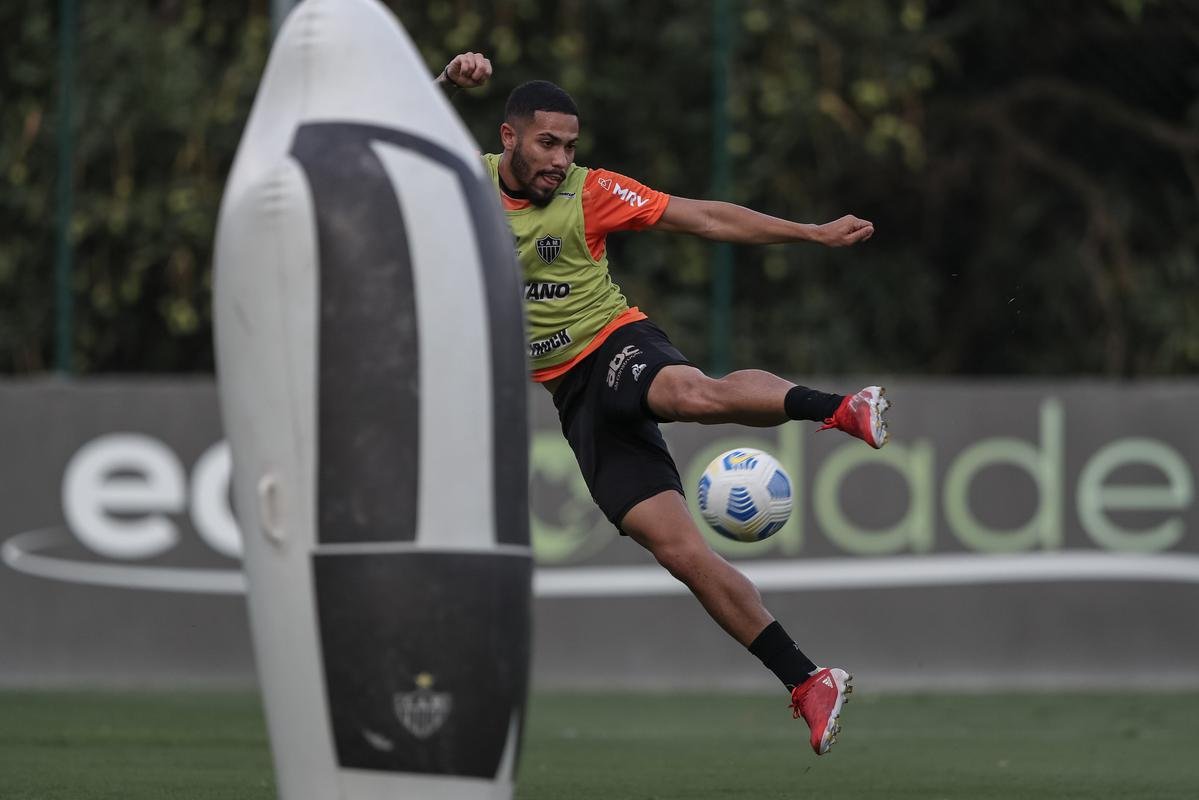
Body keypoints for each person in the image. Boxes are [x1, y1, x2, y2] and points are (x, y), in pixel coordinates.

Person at [437, 52, 888, 756]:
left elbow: (703, 218)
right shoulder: (464, 183)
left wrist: (809, 233)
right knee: (679, 551)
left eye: (569, 145)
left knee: (689, 392)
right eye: (546, 143)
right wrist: (441, 84)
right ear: (508, 138)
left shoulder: (589, 193)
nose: (560, 158)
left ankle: (837, 408)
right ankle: (807, 680)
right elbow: (384, 156)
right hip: (571, 398)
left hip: (614, 343)